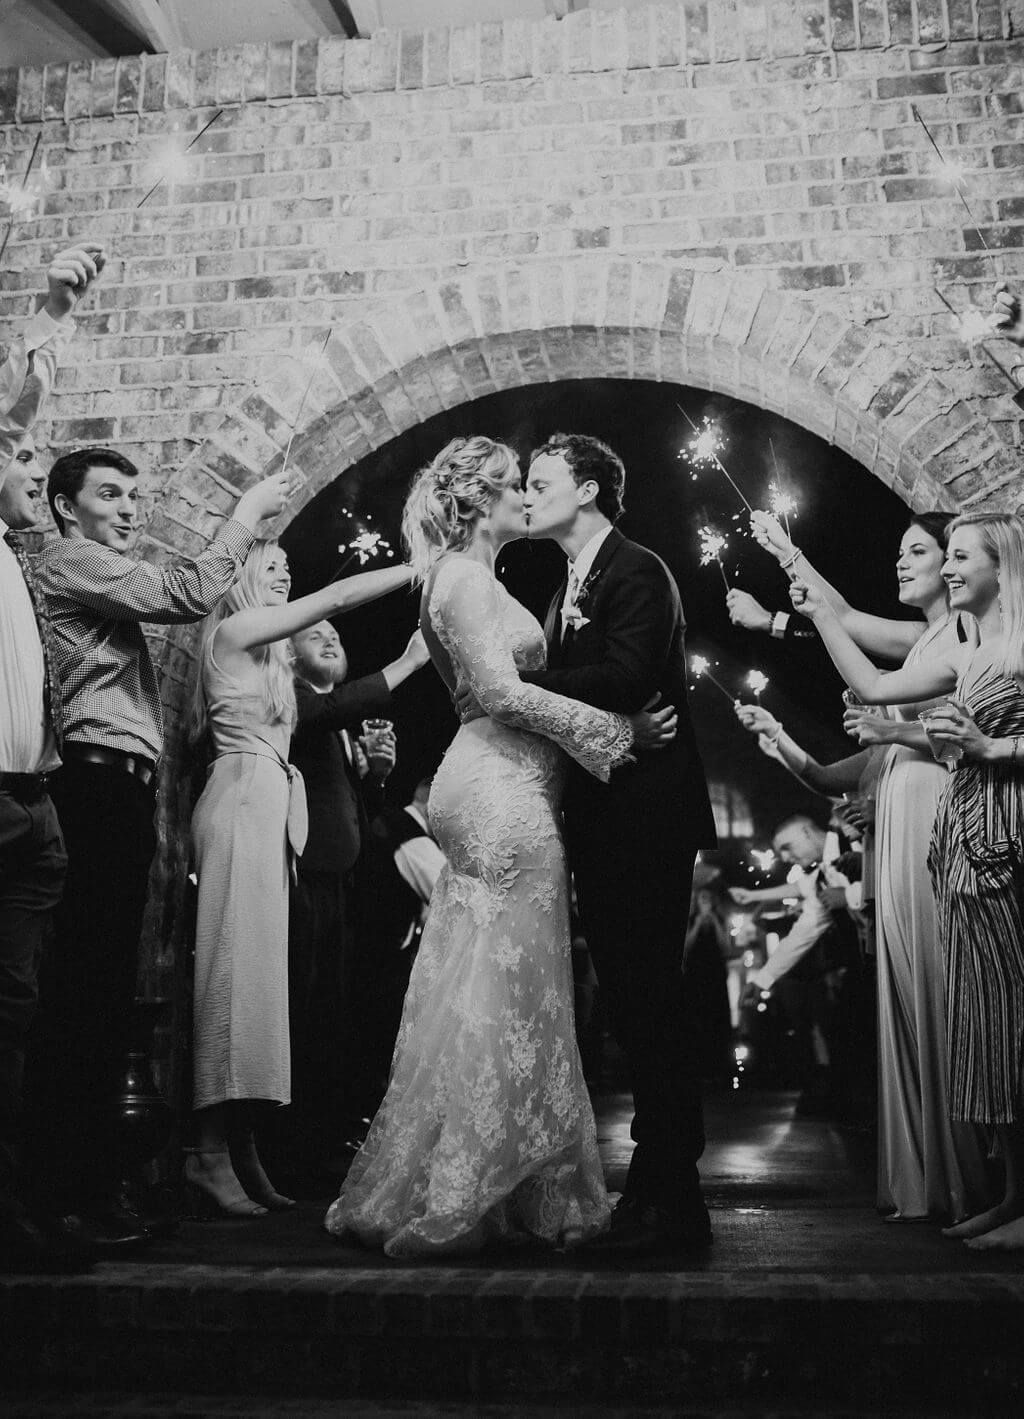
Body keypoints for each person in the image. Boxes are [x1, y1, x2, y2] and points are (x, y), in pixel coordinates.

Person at [325, 435, 675, 1257]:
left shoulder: (477, 578)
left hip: (495, 784)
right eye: (515, 483)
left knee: (490, 982)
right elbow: (497, 691)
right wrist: (615, 732)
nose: (525, 494)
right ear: (480, 499)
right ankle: (478, 1187)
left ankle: (484, 1180)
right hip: (499, 794)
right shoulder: (462, 578)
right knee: (521, 985)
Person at [23, 448, 291, 1242]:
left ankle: (93, 1187)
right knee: (82, 995)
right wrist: (246, 516)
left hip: (122, 791)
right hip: (91, 786)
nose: (131, 508)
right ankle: (59, 1193)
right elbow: (185, 590)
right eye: (111, 494)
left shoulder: (95, 570)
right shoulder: (67, 557)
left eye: (136, 494)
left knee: (105, 994)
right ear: (66, 508)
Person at [740, 510, 991, 1222]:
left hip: (937, 814)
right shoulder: (921, 639)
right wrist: (791, 553)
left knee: (945, 991)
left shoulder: (965, 635)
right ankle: (931, 1175)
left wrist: (810, 619)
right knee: (910, 998)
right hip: (901, 818)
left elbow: (850, 643)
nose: (903, 562)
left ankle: (968, 1174)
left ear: (952, 563)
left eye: (919, 550)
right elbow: (843, 613)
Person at [790, 510, 1024, 1249]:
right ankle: (1010, 1196)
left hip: (1009, 836)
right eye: (945, 556)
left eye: (959, 556)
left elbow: (983, 738)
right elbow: (874, 678)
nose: (950, 569)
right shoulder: (968, 650)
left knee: (1014, 1023)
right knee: (984, 1023)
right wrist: (820, 616)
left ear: (1001, 561)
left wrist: (991, 743)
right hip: (962, 843)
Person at [519, 432, 718, 1255]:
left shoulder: (635, 569)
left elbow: (628, 676)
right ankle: (661, 1191)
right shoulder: (573, 577)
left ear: (591, 488)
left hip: (647, 816)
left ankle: (670, 1195)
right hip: (608, 816)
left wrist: (517, 683)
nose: (527, 495)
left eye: (541, 481)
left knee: (650, 1003)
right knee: (635, 1008)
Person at [187, 541, 413, 1217]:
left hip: (273, 808)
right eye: (271, 561)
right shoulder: (234, 631)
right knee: (229, 978)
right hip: (242, 796)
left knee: (260, 992)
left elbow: (325, 698)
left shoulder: (272, 656)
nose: (286, 569)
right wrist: (417, 567)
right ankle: (204, 1150)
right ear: (240, 577)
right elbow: (337, 599)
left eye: (291, 559)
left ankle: (243, 1144)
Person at [1, 244, 106, 1272]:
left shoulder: (22, 560)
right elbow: (12, 417)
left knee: (17, 1017)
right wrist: (49, 313)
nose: (35, 472)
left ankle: (15, 1205)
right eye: (25, 467)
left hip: (35, 807)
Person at [279, 619, 430, 1188]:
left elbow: (352, 813)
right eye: (312, 632)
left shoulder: (334, 717)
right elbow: (321, 715)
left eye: (337, 632)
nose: (331, 637)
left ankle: (317, 1139)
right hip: (302, 876)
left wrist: (375, 778)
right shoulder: (296, 700)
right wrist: (407, 663)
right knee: (304, 1011)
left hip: (337, 882)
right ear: (287, 653)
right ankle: (291, 1149)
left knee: (329, 1016)